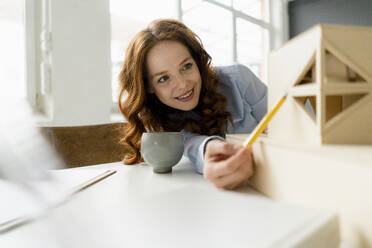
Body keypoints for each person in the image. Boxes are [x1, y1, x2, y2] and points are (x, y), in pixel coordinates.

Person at [118, 19, 267, 190]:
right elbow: (189, 143)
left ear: (197, 61)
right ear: (149, 87)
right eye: (163, 78)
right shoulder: (156, 121)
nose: (182, 85)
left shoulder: (238, 79)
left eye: (186, 66)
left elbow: (288, 123)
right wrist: (208, 149)